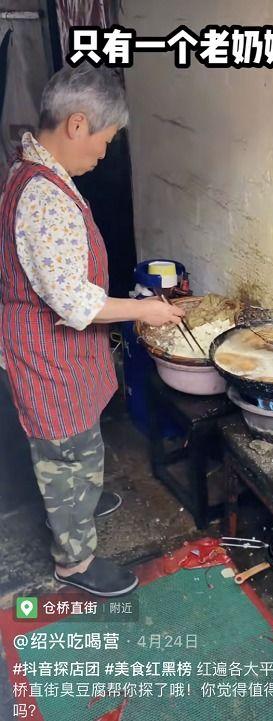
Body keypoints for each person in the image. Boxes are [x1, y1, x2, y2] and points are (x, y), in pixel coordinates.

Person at [0, 64, 184, 597]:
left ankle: (81, 496)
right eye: (105, 140)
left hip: (50, 344)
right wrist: (144, 311)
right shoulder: (44, 197)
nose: (104, 153)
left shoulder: (33, 167)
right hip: (44, 350)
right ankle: (74, 561)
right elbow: (74, 301)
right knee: (64, 450)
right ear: (77, 124)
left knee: (78, 437)